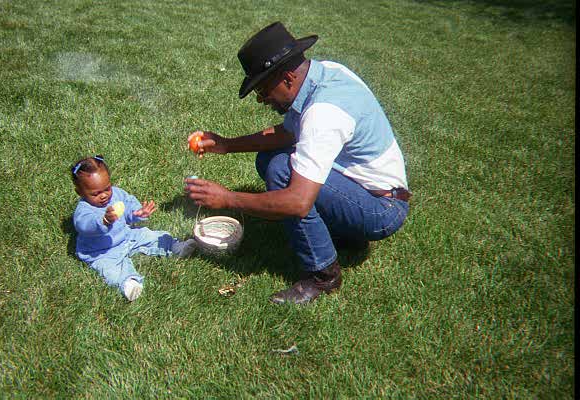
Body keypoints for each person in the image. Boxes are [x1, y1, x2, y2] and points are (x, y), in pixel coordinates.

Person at [184, 22, 410, 305]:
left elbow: (297, 202)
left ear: (288, 78)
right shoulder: (325, 74)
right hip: (367, 190)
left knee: (281, 170)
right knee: (271, 159)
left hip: (382, 209)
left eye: (263, 90)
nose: (262, 100)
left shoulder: (324, 113)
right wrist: (227, 144)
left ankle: (323, 275)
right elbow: (289, 133)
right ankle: (346, 233)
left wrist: (227, 198)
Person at [72, 155, 197, 301]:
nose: (104, 195)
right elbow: (85, 226)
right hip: (101, 252)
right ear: (80, 192)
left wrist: (138, 212)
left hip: (126, 236)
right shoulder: (84, 210)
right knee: (111, 269)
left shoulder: (117, 194)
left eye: (107, 188)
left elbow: (129, 204)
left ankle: (175, 246)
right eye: (96, 193)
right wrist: (104, 221)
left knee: (149, 235)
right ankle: (128, 284)